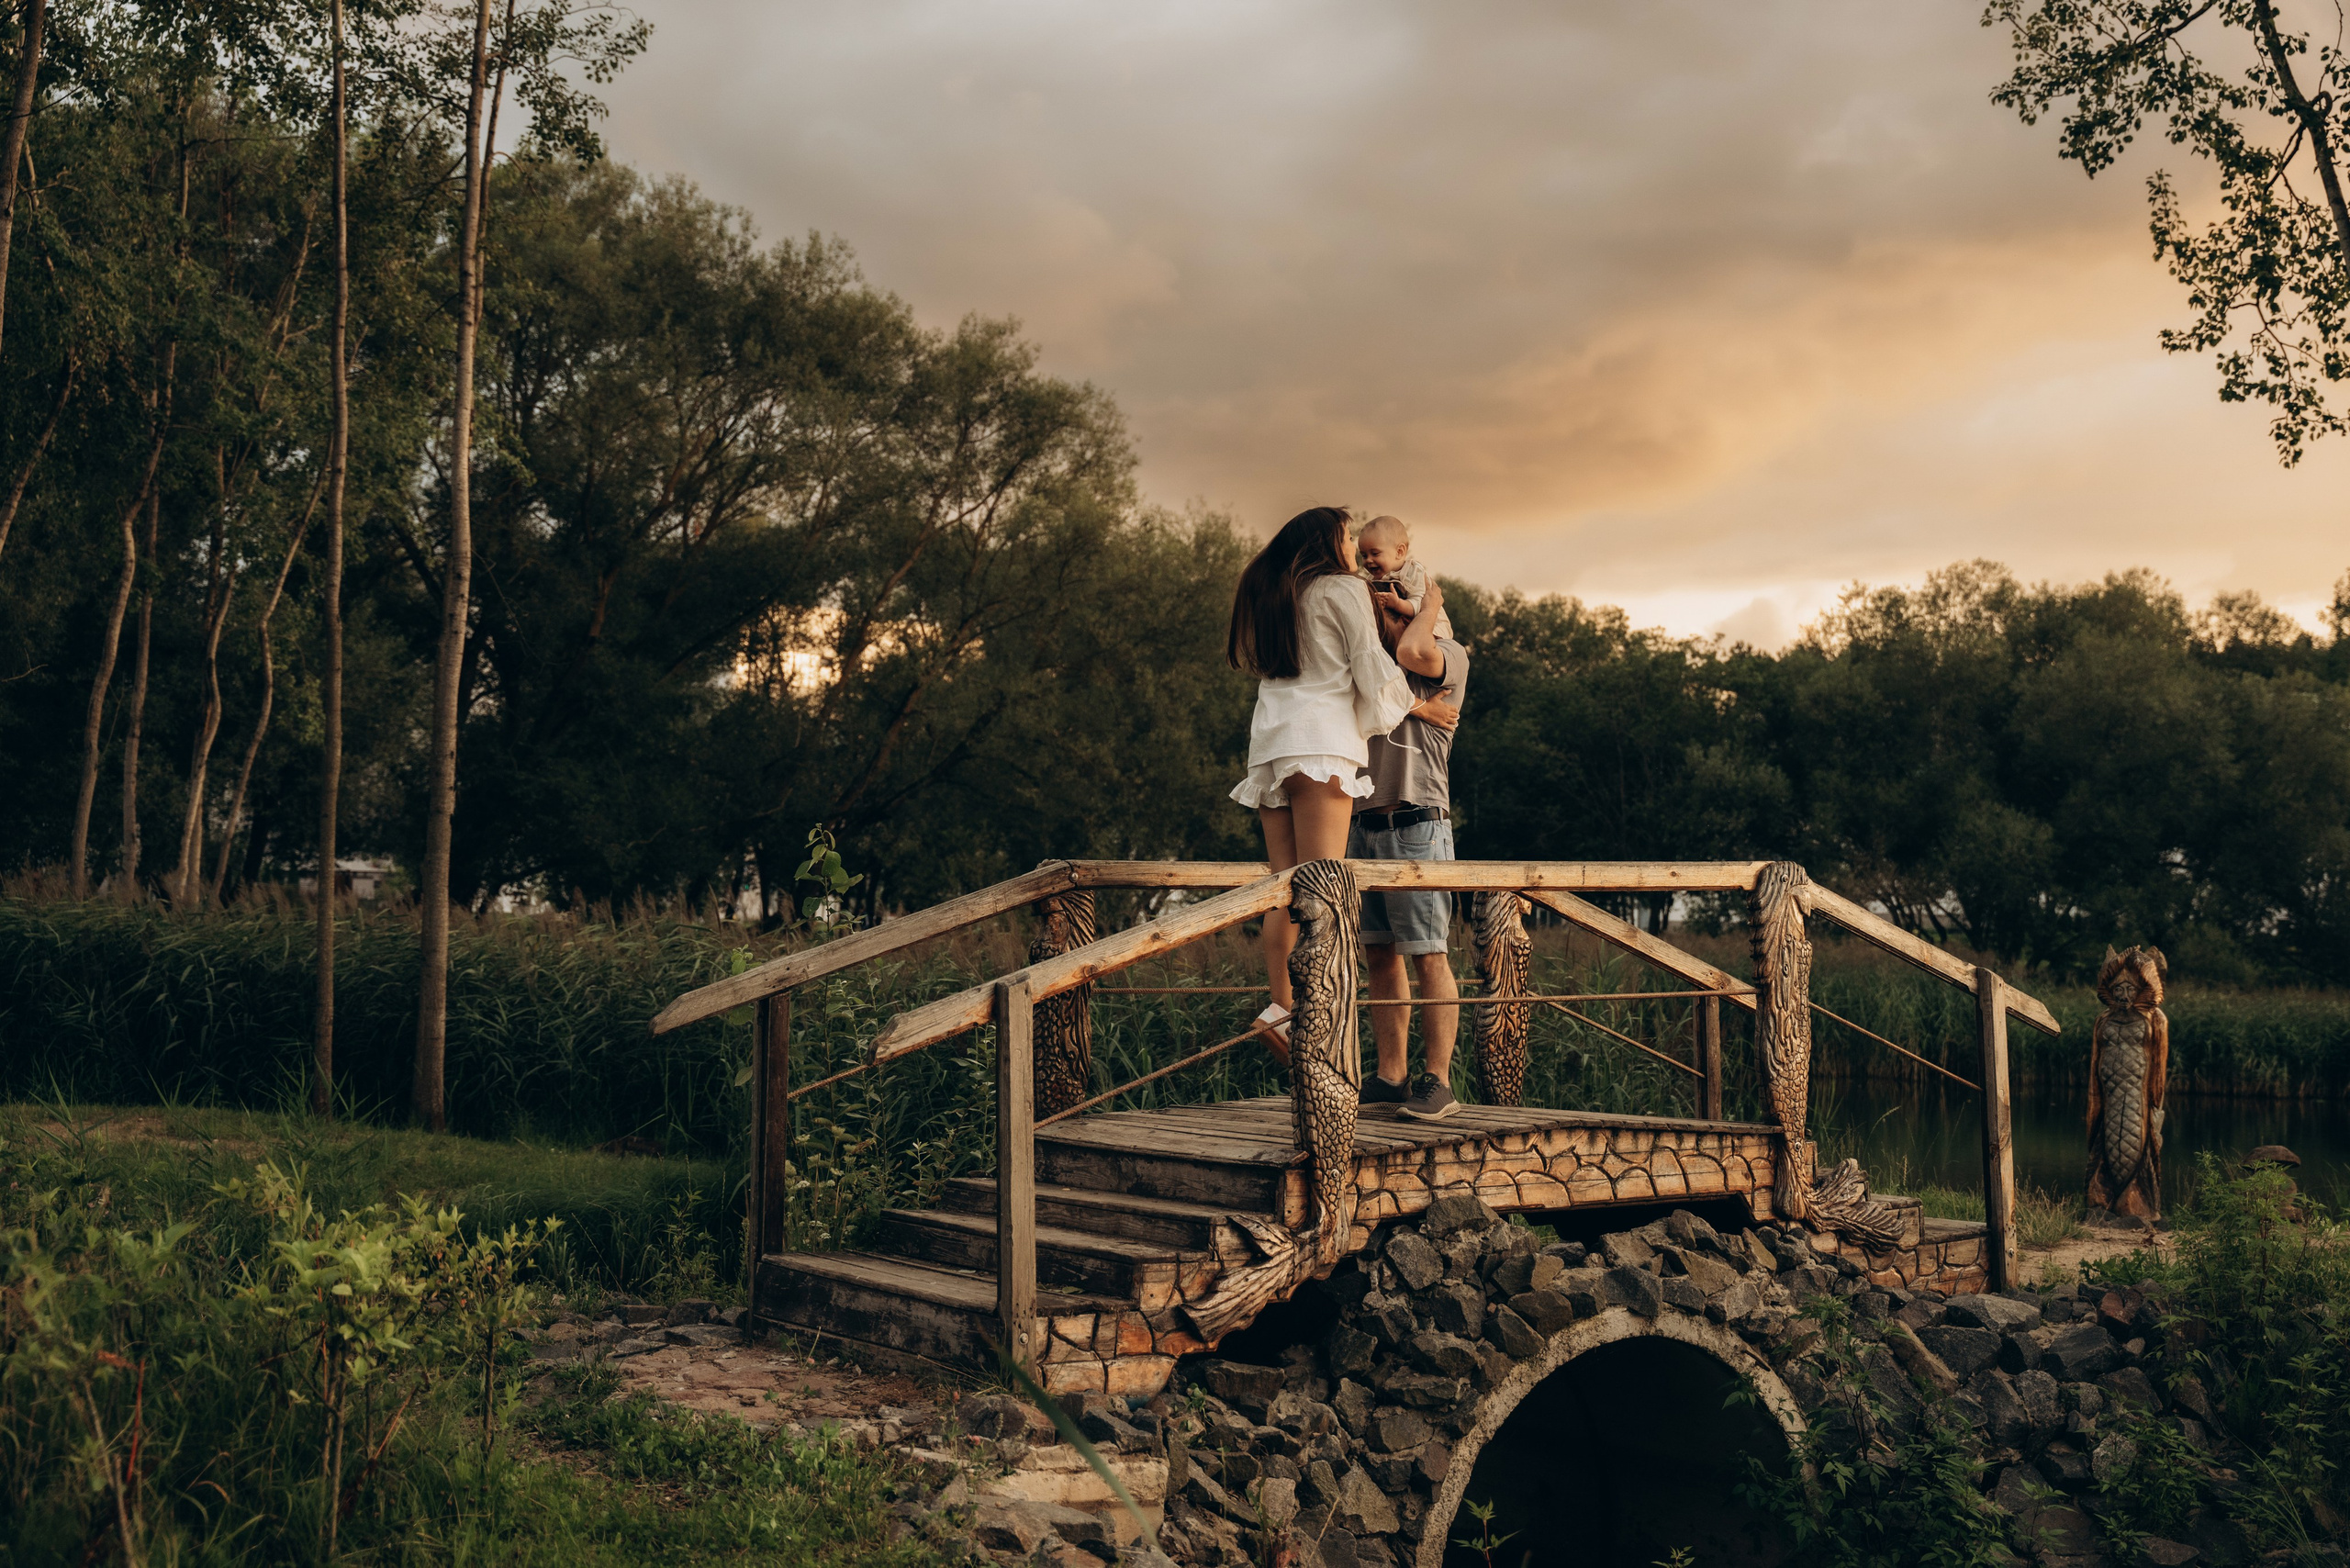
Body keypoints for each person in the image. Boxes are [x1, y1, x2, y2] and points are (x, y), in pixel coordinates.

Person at [1226, 506, 1428, 1057]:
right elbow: (1368, 663)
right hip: (1320, 742)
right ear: (1325, 542)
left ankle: (1281, 1010)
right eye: (1345, 536)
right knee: (1324, 889)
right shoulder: (1339, 588)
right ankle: (1318, 1018)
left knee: (1282, 886)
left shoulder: (1274, 591)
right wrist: (1410, 703)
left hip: (1273, 742)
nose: (1350, 546)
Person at [1351, 576, 1469, 1120]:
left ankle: (1438, 1082)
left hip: (1418, 824)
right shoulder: (1374, 668)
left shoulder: (1446, 654)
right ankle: (1391, 1075)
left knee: (1428, 953)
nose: (1388, 609)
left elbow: (1411, 649)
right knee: (1379, 954)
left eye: (1399, 599)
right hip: (1361, 820)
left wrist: (1430, 605)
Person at [1356, 514, 1454, 643]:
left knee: (1420, 645)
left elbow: (1422, 605)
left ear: (1400, 552)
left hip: (1434, 627)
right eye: (1364, 555)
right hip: (1408, 630)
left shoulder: (1413, 573)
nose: (1368, 560)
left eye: (1375, 554)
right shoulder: (1372, 580)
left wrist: (1397, 604)